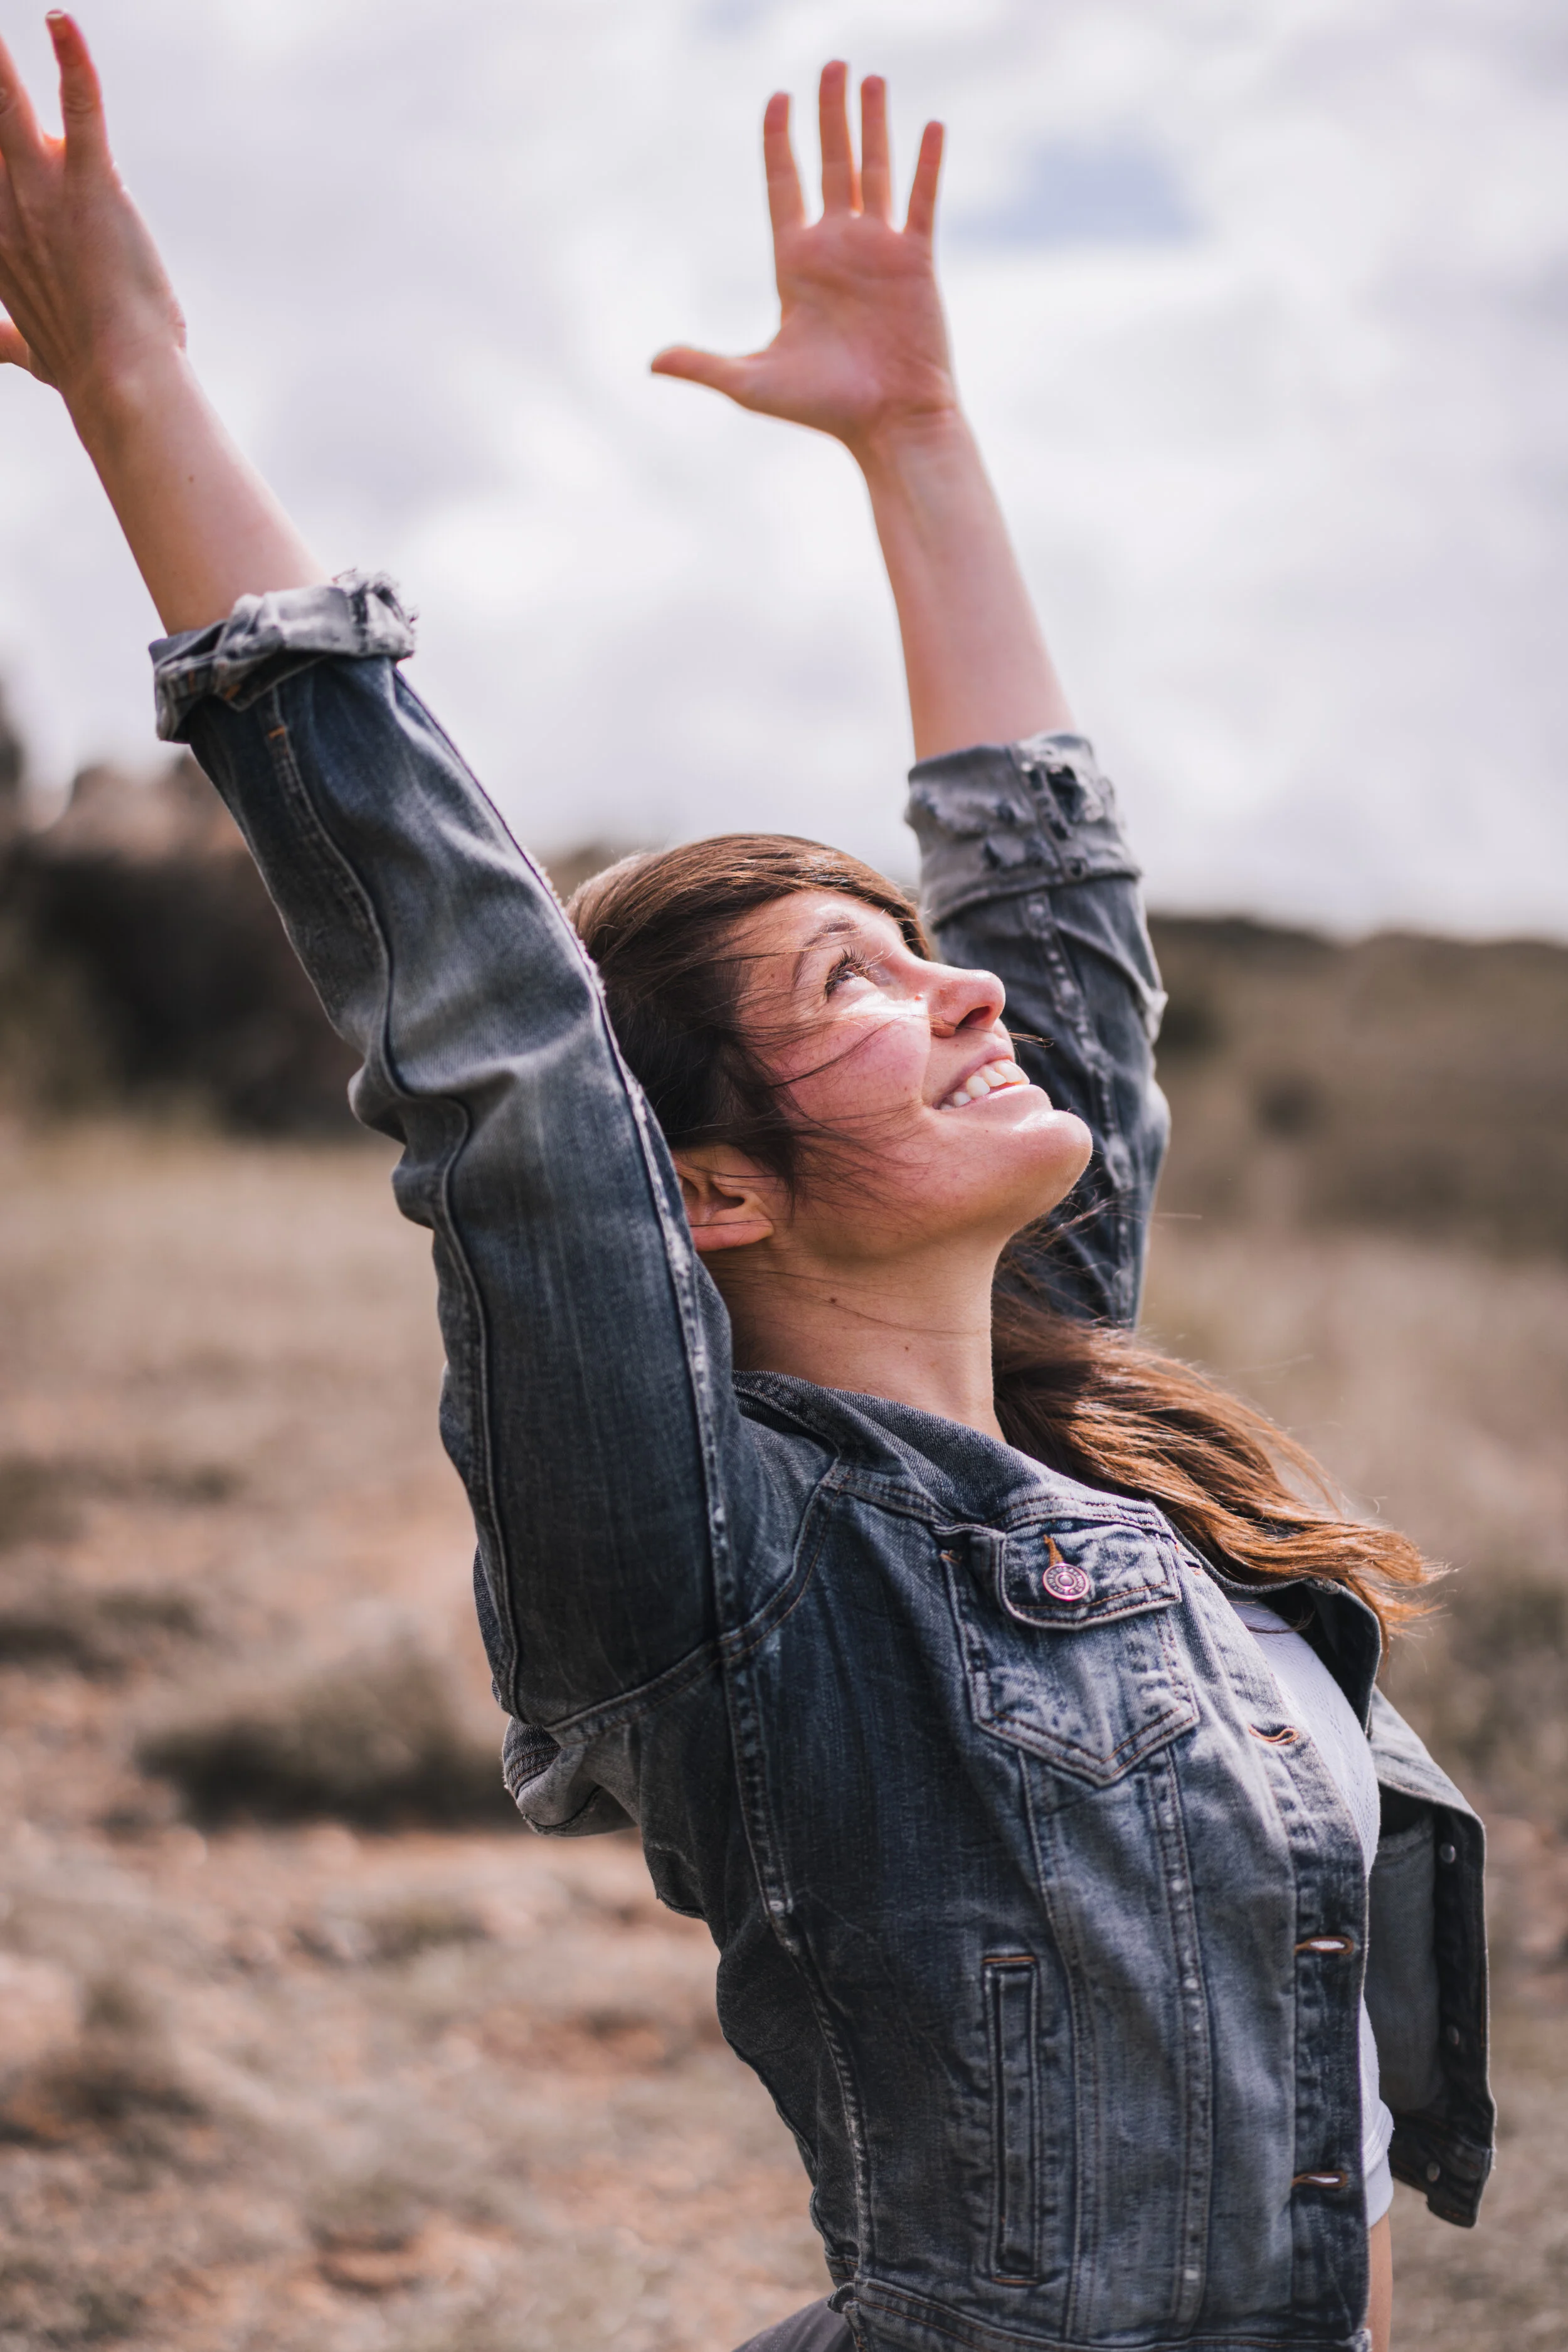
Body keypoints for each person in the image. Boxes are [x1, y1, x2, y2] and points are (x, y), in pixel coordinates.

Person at [0, 21, 1492, 2351]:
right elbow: (495, 1043)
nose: (966, 1002)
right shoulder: (727, 1578)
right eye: (856, 988)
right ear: (707, 1191)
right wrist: (140, 389)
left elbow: (1054, 924)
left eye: (919, 968)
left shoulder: (1062, 1404)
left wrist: (916, 438)